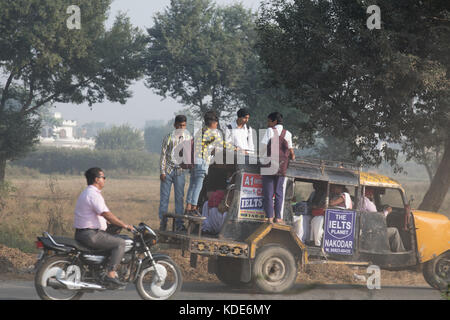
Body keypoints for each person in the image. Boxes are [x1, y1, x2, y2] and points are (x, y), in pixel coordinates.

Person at [74, 167, 133, 287]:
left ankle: (99, 271)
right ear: (97, 179)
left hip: (84, 233)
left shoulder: (87, 192)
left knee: (111, 240)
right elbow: (106, 214)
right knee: (120, 243)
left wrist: (110, 225)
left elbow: (99, 215)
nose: (104, 180)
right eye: (103, 177)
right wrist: (125, 225)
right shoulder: (93, 194)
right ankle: (110, 273)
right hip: (90, 234)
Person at [185, 111, 237, 216]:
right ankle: (193, 208)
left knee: (192, 185)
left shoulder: (200, 131)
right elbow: (221, 144)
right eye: (216, 123)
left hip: (194, 162)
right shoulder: (211, 133)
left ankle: (188, 206)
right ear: (212, 123)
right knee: (198, 186)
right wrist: (235, 148)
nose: (217, 125)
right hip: (202, 162)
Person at [260, 112, 295, 224]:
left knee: (268, 192)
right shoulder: (288, 133)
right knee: (279, 192)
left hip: (269, 165)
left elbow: (263, 147)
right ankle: (278, 218)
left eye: (269, 121)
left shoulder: (270, 131)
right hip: (282, 167)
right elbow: (291, 152)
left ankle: (270, 217)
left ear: (274, 121)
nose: (268, 123)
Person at [158, 115, 191, 231]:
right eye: (180, 125)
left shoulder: (187, 137)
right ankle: (163, 222)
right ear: (175, 125)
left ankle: (179, 224)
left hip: (180, 171)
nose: (182, 127)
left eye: (184, 125)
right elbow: (163, 155)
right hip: (168, 170)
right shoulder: (168, 137)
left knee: (179, 198)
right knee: (164, 198)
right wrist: (162, 171)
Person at [361, 187, 405, 252]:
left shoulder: (361, 200)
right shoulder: (367, 202)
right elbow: (378, 219)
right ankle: (401, 253)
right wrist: (387, 211)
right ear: (367, 191)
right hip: (373, 232)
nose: (372, 192)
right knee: (395, 231)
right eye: (371, 190)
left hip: (366, 229)